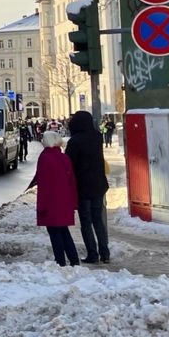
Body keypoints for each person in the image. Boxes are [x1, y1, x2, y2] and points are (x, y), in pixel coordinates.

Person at [29, 130, 80, 267]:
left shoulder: (45, 158)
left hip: (51, 203)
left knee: (54, 233)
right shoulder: (64, 157)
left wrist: (41, 206)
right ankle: (74, 260)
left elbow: (44, 184)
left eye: (43, 139)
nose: (42, 141)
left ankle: (60, 262)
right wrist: (74, 202)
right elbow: (72, 182)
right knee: (64, 231)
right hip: (64, 201)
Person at [66, 110, 110, 264]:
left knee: (86, 221)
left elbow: (69, 164)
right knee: (98, 220)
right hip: (99, 184)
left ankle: (92, 253)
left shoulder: (75, 141)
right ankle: (105, 252)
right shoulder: (97, 137)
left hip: (83, 187)